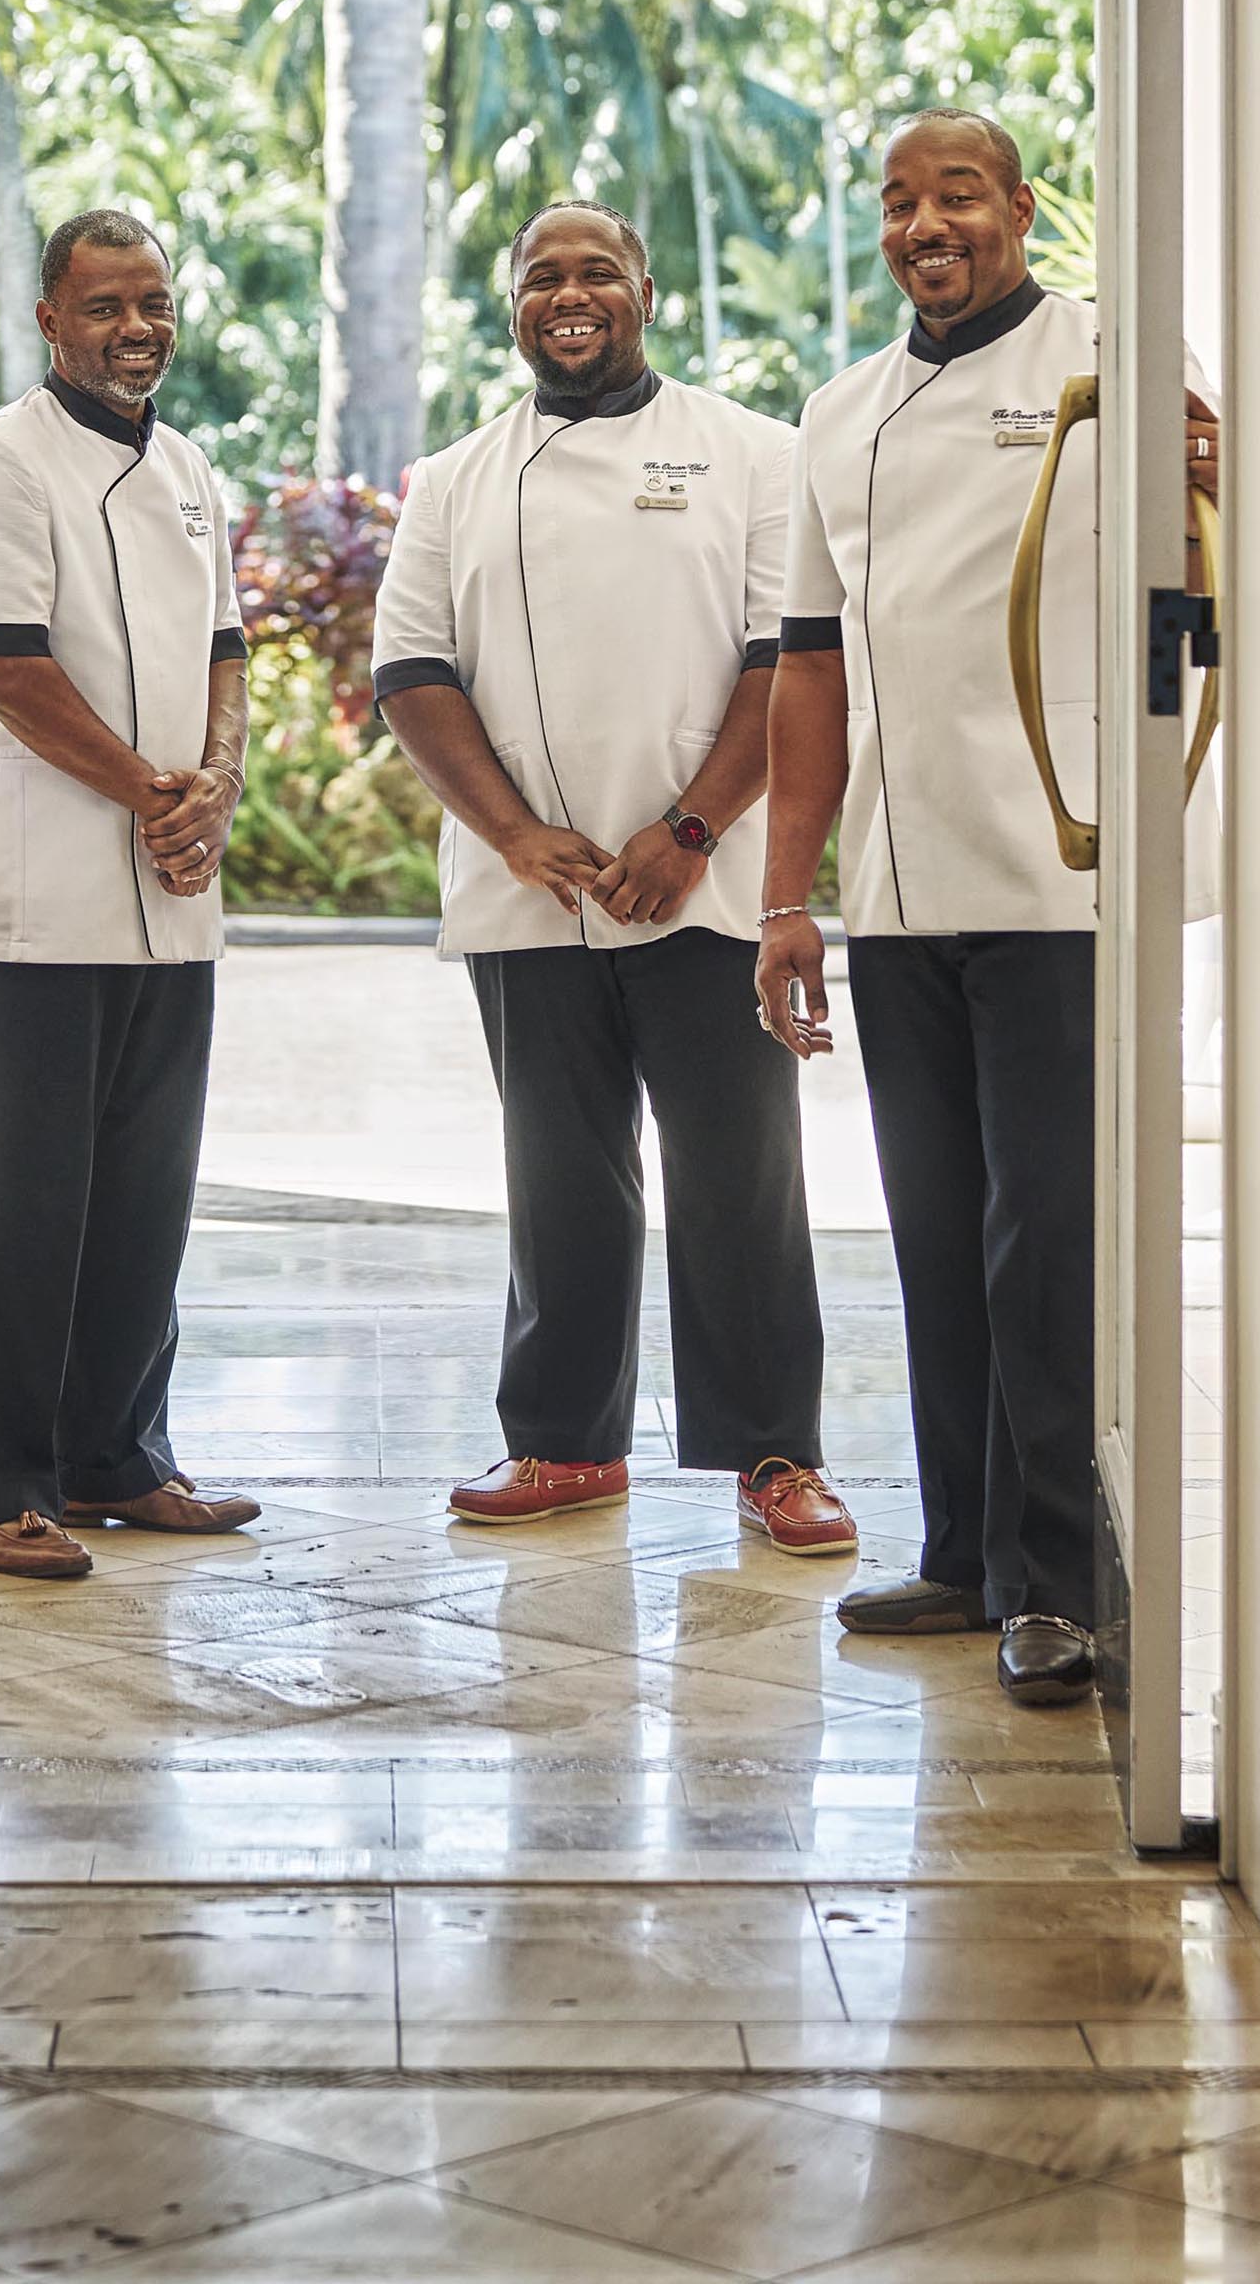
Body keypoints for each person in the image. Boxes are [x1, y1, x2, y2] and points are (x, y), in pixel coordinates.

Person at [755, 110, 1216, 1710]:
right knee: (939, 1232)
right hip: (899, 882)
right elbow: (807, 668)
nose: (925, 223)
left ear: (1022, 210)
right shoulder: (838, 415)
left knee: (1045, 1248)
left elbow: (1204, 583)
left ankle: (1062, 1585)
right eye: (898, 200)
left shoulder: (1114, 360)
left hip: (1060, 871)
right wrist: (783, 895)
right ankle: (962, 1557)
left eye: (958, 194)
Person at [374, 204, 855, 1557]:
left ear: (647, 292)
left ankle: (776, 1457)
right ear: (509, 306)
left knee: (737, 1177)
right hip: (530, 896)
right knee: (559, 1177)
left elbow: (786, 661)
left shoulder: (758, 456)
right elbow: (410, 672)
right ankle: (563, 1443)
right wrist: (520, 838)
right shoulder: (454, 478)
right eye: (541, 278)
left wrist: (692, 832)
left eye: (596, 273)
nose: (568, 296)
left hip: (704, 891)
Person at [0, 209, 261, 1583]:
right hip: (39, 900)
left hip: (168, 901)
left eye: (154, 303)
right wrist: (150, 793)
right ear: (52, 322)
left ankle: (119, 1459)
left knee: (142, 1195)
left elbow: (227, 651)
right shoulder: (0, 462)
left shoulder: (185, 465)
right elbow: (4, 666)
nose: (138, 329)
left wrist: (217, 788)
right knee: (28, 1205)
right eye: (107, 306)